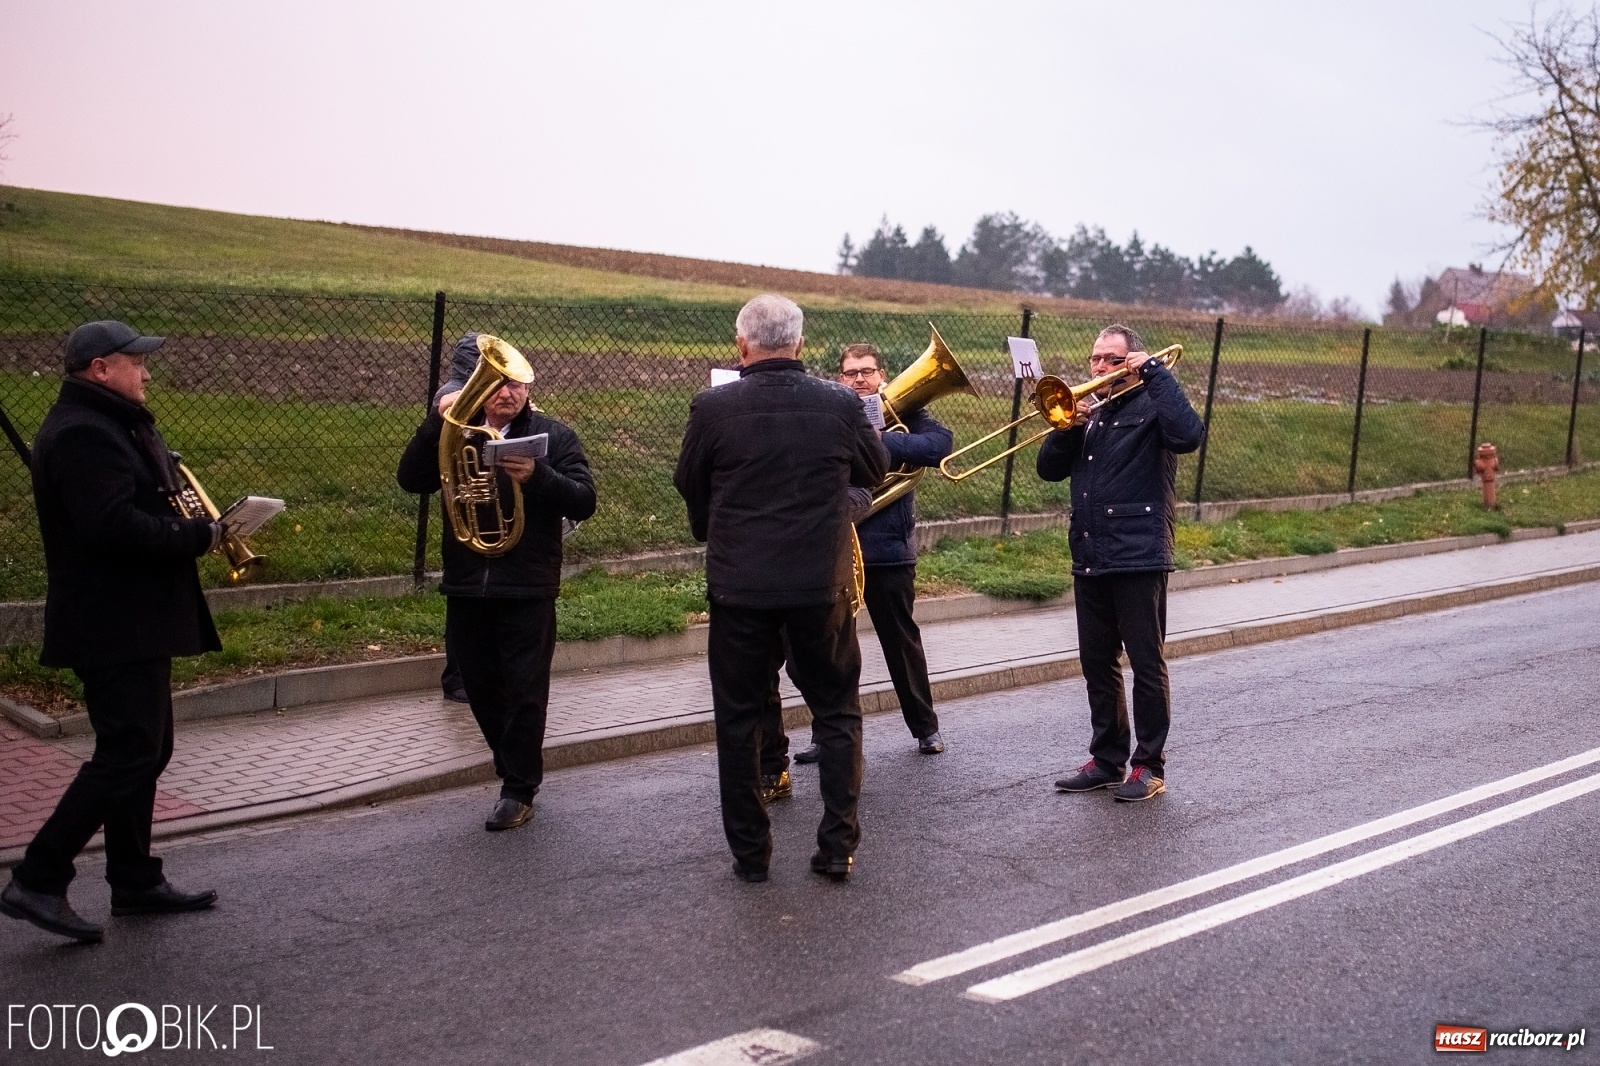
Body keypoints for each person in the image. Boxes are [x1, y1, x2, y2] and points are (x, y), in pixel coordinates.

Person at [2, 321, 223, 944]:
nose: (146, 373)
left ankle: (134, 879)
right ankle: (39, 877)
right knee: (128, 751)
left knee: (148, 750)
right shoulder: (81, 434)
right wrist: (196, 535)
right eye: (136, 363)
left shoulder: (105, 424)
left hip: (133, 620)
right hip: (111, 621)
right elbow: (110, 526)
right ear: (101, 368)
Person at [674, 294, 888, 883]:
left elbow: (688, 480)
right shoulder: (840, 404)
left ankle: (751, 856)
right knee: (838, 712)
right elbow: (873, 470)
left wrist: (713, 524)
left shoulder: (713, 407)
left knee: (739, 720)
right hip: (820, 587)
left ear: (741, 346)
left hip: (741, 589)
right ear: (800, 344)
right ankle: (836, 847)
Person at [397, 341, 596, 831]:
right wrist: (435, 423)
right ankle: (512, 769)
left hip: (528, 586)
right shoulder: (456, 433)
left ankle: (518, 787)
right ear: (474, 389)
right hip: (467, 584)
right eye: (498, 384)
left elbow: (584, 499)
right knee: (482, 690)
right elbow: (410, 479)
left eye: (516, 384)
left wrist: (537, 476)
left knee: (526, 691)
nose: (508, 393)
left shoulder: (554, 434)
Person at [1037, 323, 1204, 802]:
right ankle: (1107, 758)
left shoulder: (1154, 405)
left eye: (1113, 360)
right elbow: (1049, 469)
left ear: (1131, 362)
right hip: (1090, 553)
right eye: (1096, 359)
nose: (1101, 368)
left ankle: (1148, 765)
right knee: (1097, 663)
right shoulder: (1087, 414)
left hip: (1138, 556)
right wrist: (1067, 428)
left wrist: (1155, 373)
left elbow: (1189, 435)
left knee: (1146, 665)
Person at [792, 343, 952, 764]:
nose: (859, 379)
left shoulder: (905, 413)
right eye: (850, 373)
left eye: (867, 371)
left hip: (888, 551)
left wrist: (883, 442)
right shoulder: (833, 414)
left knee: (901, 643)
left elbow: (940, 445)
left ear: (882, 375)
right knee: (829, 649)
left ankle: (926, 728)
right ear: (839, 378)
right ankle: (825, 734)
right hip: (837, 550)